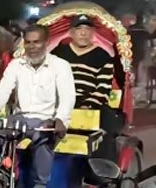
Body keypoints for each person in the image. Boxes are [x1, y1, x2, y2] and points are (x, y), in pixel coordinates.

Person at [0, 25, 76, 188]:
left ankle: (40, 185)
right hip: (19, 119)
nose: (32, 47)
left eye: (37, 42)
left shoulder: (60, 66)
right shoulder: (16, 65)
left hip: (44, 120)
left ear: (47, 43)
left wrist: (61, 119)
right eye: (28, 42)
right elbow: (3, 90)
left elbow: (67, 96)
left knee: (44, 138)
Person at [50, 15, 124, 161]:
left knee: (107, 123)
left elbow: (103, 88)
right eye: (79, 29)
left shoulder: (103, 56)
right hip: (59, 101)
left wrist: (87, 105)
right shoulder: (57, 54)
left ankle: (101, 170)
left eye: (87, 29)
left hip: (90, 102)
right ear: (71, 32)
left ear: (93, 33)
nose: (83, 33)